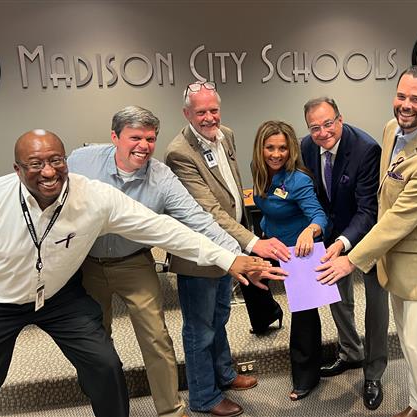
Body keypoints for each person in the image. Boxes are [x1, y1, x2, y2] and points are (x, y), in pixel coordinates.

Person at [0, 129, 275, 417]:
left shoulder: (93, 197)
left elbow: (162, 229)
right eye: (36, 164)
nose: (48, 171)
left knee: (105, 365)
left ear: (66, 161)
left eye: (56, 161)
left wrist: (228, 258)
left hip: (59, 299)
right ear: (17, 170)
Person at [67, 105, 285, 417]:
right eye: (135, 137)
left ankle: (170, 411)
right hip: (88, 262)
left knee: (157, 339)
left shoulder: (161, 177)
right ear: (115, 137)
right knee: (97, 344)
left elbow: (199, 220)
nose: (144, 146)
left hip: (134, 261)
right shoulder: (81, 161)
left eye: (150, 138)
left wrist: (237, 256)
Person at [317, 65, 417, 417]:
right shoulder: (392, 129)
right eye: (401, 95)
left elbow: (398, 219)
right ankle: (416, 404)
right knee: (408, 344)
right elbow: (383, 199)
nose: (405, 105)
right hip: (394, 260)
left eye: (416, 99)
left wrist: (350, 258)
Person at [164, 82, 290, 417]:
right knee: (199, 327)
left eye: (213, 110)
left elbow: (233, 193)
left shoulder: (227, 135)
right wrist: (252, 242)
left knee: (220, 315)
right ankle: (204, 397)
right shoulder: (179, 153)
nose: (209, 117)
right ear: (187, 114)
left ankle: (224, 373)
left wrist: (243, 239)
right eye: (201, 112)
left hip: (230, 248)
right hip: (201, 255)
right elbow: (209, 211)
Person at [301, 97, 389, 410]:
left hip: (365, 236)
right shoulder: (305, 148)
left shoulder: (366, 149)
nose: (323, 132)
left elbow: (368, 210)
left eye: (328, 123)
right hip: (329, 235)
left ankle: (374, 371)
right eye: (315, 127)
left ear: (340, 119)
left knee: (376, 304)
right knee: (335, 296)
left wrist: (342, 244)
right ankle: (351, 353)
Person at [251, 120, 328, 401]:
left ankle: (307, 377)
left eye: (282, 148)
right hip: (272, 243)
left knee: (304, 312)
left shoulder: (298, 179)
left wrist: (311, 230)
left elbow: (320, 217)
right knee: (248, 274)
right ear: (261, 148)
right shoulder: (259, 171)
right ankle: (269, 314)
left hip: (300, 248)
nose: (276, 154)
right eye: (270, 147)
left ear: (291, 149)